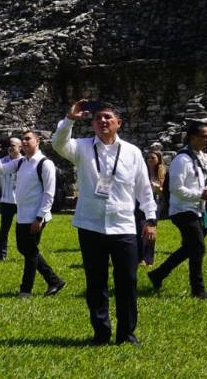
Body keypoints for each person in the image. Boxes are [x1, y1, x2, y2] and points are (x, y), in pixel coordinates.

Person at [53, 100, 156, 346]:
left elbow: (144, 189)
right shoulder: (82, 148)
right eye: (98, 118)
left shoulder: (132, 152)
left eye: (108, 117)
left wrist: (150, 219)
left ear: (118, 123)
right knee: (96, 282)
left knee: (127, 282)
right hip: (91, 225)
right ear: (92, 123)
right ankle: (101, 333)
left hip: (123, 226)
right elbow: (58, 144)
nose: (103, 121)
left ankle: (127, 333)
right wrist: (69, 119)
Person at [147, 123, 207, 300]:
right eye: (204, 136)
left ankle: (158, 274)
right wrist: (200, 194)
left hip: (198, 209)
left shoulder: (200, 157)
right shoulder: (182, 160)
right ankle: (198, 290)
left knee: (191, 247)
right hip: (182, 210)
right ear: (193, 137)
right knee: (198, 247)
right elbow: (176, 188)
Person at [12, 131, 64, 297]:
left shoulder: (45, 163)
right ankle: (54, 280)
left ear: (38, 141)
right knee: (26, 249)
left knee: (30, 251)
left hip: (36, 216)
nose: (24, 141)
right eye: (23, 139)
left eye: (28, 138)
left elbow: (49, 193)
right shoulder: (22, 162)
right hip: (22, 214)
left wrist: (39, 217)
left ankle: (26, 290)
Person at [0, 138, 22, 261]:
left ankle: (26, 250)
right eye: (9, 145)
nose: (10, 147)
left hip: (21, 201)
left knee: (23, 228)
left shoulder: (24, 162)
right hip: (6, 201)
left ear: (20, 148)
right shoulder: (1, 162)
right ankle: (2, 255)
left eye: (13, 145)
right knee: (4, 229)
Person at [138, 144, 165, 266]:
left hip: (156, 202)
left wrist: (156, 188)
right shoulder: (142, 171)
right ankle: (140, 258)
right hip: (140, 202)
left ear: (158, 159)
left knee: (149, 229)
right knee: (139, 229)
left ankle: (148, 259)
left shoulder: (162, 173)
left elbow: (164, 192)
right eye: (148, 157)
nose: (150, 160)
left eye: (153, 157)